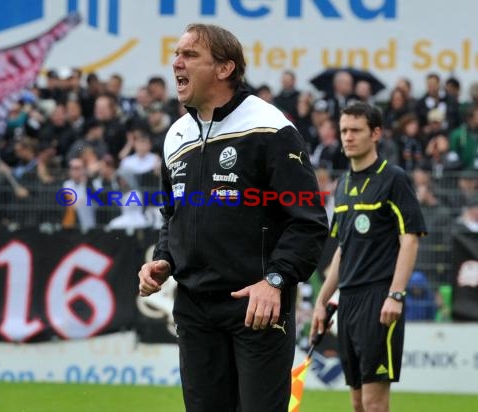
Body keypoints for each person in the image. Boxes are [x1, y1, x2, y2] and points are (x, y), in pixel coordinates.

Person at [138, 23, 328, 412]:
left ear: (225, 68)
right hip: (193, 307)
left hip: (256, 306)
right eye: (177, 54)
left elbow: (308, 221)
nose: (176, 63)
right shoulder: (175, 136)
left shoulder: (271, 127)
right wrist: (164, 258)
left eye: (190, 55)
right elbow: (172, 213)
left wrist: (275, 280)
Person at [311, 103, 427, 412]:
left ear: (376, 133)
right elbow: (342, 250)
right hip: (347, 303)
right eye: (344, 130)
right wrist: (322, 302)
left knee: (375, 405)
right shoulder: (343, 185)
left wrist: (396, 294)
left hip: (379, 300)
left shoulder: (394, 179)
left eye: (356, 130)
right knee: (358, 403)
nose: (347, 137)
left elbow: (410, 240)